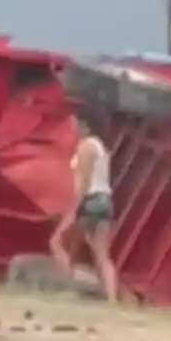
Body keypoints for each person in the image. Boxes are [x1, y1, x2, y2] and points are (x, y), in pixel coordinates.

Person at [49, 112, 118, 303]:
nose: (73, 128)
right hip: (105, 201)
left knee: (58, 242)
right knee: (103, 254)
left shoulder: (85, 147)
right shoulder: (102, 148)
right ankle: (112, 299)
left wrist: (73, 210)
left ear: (86, 127)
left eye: (76, 124)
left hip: (89, 201)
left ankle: (71, 289)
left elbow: (83, 182)